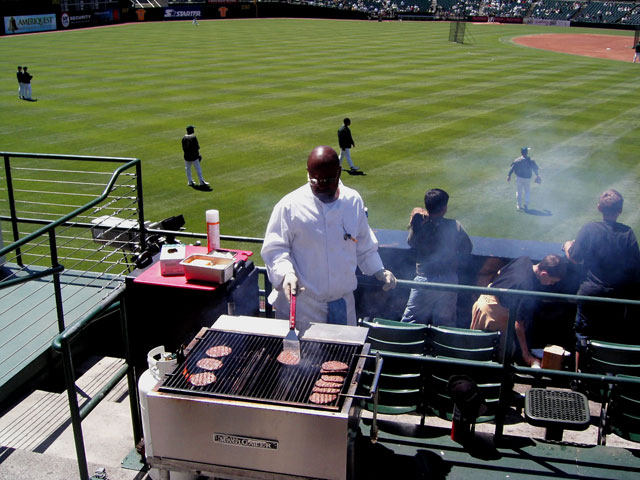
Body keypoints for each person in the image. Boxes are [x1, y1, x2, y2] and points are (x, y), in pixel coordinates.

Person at [261, 145, 396, 331]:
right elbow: (275, 249)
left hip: (342, 303)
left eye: (328, 181)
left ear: (339, 173)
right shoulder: (289, 206)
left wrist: (378, 270)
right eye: (316, 181)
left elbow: (363, 245)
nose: (322, 187)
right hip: (303, 306)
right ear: (308, 174)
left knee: (342, 357)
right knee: (302, 358)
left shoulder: (353, 201)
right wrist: (286, 274)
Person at [563, 189, 640, 345]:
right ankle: (609, 369)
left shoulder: (590, 229)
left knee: (583, 335)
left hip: (590, 293)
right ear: (620, 210)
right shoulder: (628, 233)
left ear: (599, 208)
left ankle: (580, 370)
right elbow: (635, 266)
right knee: (611, 337)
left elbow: (575, 258)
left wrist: (566, 246)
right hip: (617, 296)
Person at [470, 254, 566, 366]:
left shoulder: (523, 260)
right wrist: (526, 355)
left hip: (485, 298)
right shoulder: (527, 287)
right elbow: (518, 325)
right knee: (493, 352)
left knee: (479, 344)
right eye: (552, 281)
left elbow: (500, 272)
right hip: (494, 312)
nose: (551, 284)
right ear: (544, 274)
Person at [400, 188, 473, 327]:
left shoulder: (421, 224)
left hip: (424, 279)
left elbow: (411, 243)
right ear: (444, 207)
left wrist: (415, 223)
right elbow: (467, 248)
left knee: (411, 321)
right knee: (446, 323)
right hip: (448, 279)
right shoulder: (455, 225)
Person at [507, 147, 540, 211]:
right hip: (527, 179)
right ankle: (526, 204)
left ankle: (519, 206)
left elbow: (512, 168)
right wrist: (537, 175)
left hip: (519, 178)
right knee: (527, 191)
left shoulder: (517, 160)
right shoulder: (530, 160)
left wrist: (509, 175)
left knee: (519, 192)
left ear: (521, 153)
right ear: (527, 153)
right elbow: (534, 168)